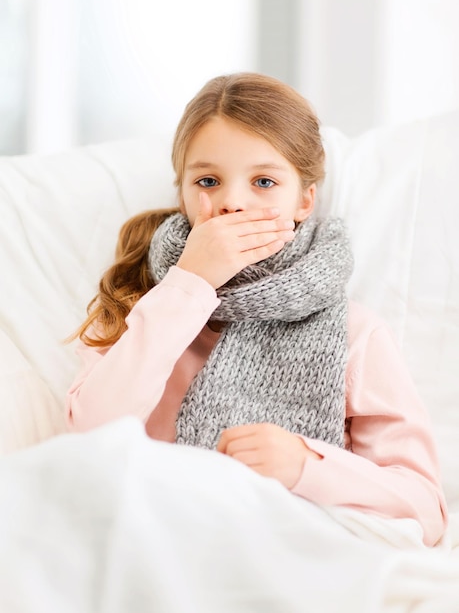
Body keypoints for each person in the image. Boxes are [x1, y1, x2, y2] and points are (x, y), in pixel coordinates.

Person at [66, 72, 447, 547]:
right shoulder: (139, 305)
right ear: (182, 193)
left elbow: (425, 508)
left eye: (264, 181)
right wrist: (191, 284)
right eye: (208, 181)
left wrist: (306, 465)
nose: (232, 202)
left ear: (304, 200)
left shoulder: (355, 335)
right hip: (153, 546)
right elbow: (88, 438)